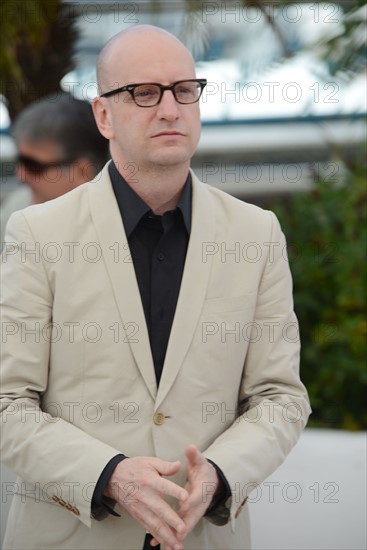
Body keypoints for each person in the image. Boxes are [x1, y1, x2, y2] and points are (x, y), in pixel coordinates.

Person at [1, 25, 311, 550]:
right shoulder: (37, 234)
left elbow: (280, 397)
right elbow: (8, 401)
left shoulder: (256, 234)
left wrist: (218, 475)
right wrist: (108, 476)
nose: (169, 109)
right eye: (144, 93)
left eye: (184, 90)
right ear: (104, 115)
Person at [0, 93, 109, 244]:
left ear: (82, 171)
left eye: (33, 165)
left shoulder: (119, 227)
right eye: (20, 160)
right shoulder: (18, 206)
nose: (20, 174)